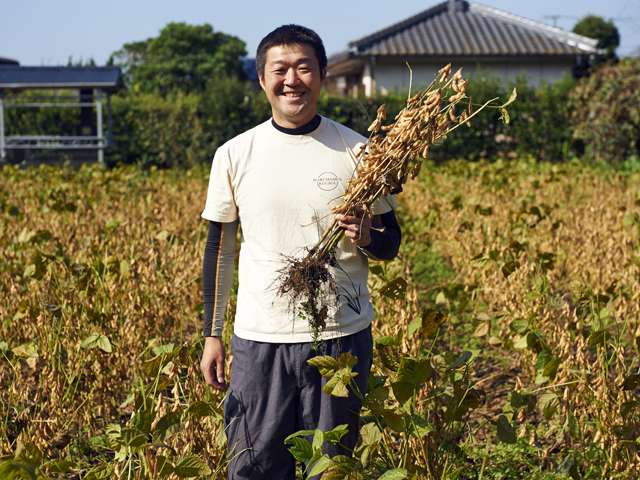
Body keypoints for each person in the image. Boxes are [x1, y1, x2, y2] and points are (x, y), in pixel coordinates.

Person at [199, 24, 401, 479]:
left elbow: (391, 241)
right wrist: (212, 334)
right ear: (262, 79)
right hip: (259, 338)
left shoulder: (360, 151)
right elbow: (220, 249)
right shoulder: (235, 154)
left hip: (340, 335)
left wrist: (368, 236)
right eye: (280, 69)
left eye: (304, 67)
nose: (292, 80)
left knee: (332, 465)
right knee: (254, 462)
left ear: (323, 75)